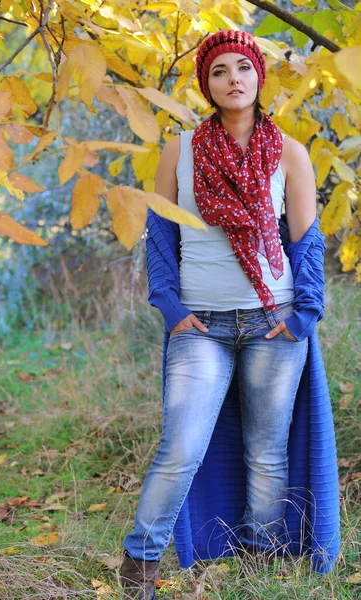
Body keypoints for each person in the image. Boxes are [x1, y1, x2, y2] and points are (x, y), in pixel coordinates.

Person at [119, 29, 340, 600]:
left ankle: (260, 562)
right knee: (181, 446)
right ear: (206, 83)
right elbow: (161, 238)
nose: (233, 78)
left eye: (243, 67)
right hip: (202, 327)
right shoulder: (179, 151)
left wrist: (305, 314)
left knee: (267, 452)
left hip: (275, 321)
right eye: (219, 70)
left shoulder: (289, 152)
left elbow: (307, 241)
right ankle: (140, 565)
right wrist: (169, 307)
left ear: (259, 78)